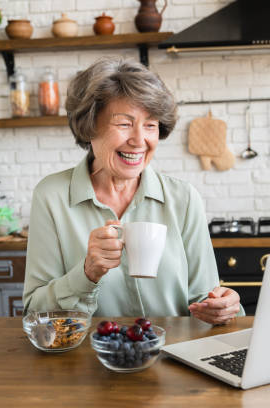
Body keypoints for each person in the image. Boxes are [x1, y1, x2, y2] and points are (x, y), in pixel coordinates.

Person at [23, 57, 243, 325]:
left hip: (173, 357)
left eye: (150, 125)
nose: (140, 141)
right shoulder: (52, 197)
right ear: (89, 126)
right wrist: (86, 273)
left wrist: (221, 307)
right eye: (124, 124)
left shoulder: (183, 199)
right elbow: (34, 313)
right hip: (90, 360)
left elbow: (203, 298)